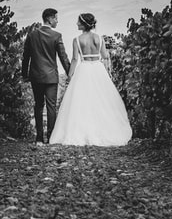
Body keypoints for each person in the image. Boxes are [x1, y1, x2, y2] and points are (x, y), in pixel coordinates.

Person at [48, 13, 133, 146]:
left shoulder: (77, 40)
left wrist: (70, 76)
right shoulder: (99, 38)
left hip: (84, 69)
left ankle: (84, 130)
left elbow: (75, 59)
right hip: (98, 69)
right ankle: (102, 130)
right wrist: (107, 70)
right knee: (101, 101)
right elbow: (105, 56)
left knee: (82, 102)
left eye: (78, 22)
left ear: (83, 24)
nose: (76, 24)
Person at [21, 8, 71, 144]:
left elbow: (26, 57)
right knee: (51, 106)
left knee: (38, 105)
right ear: (49, 19)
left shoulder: (32, 35)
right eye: (56, 18)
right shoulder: (56, 36)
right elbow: (63, 57)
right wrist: (70, 74)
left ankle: (39, 138)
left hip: (36, 76)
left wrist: (24, 75)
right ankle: (50, 137)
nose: (57, 21)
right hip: (51, 77)